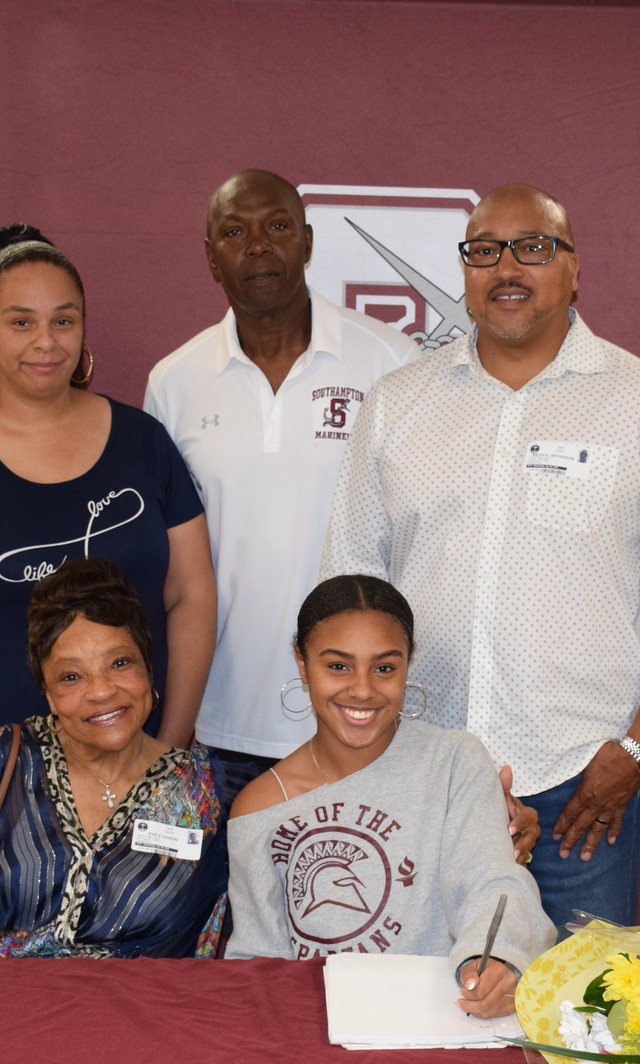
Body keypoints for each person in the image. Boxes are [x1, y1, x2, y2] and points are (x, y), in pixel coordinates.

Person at [321, 184, 640, 931]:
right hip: (423, 769)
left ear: (574, 269)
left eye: (533, 247)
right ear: (464, 272)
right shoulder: (398, 402)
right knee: (414, 1021)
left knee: (578, 1021)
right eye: (483, 250)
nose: (506, 266)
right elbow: (350, 585)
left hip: (581, 786)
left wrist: (636, 752)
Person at [0, 229, 216, 788]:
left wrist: (167, 753)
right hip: (1, 794)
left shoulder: (145, 443)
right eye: (21, 322)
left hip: (141, 778)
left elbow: (192, 595)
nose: (46, 342)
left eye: (63, 320)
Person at [143, 170, 415, 767]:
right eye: (235, 232)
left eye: (278, 227)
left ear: (309, 243)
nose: (259, 245)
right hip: (219, 719)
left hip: (361, 719)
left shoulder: (391, 360)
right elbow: (170, 562)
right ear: (212, 257)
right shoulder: (173, 383)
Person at [0, 559, 249, 958]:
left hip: (140, 1016)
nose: (102, 691)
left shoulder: (210, 791)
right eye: (72, 676)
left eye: (120, 663)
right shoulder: (1, 764)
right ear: (48, 693)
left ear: (148, 668)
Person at [225, 575, 556, 1018]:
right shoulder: (259, 806)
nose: (362, 689)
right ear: (302, 665)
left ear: (407, 665)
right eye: (338, 666)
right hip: (315, 1038)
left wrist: (498, 958)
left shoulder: (456, 759)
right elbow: (257, 965)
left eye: (384, 667)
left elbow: (492, 882)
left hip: (445, 1020)